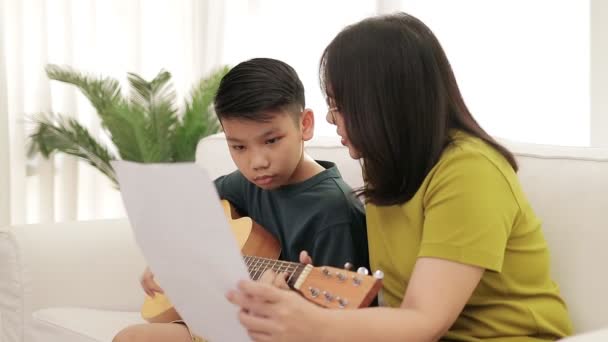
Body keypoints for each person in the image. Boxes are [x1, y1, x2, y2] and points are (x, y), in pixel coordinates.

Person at [226, 13, 573, 341]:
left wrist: (312, 323)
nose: (332, 120)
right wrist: (311, 298)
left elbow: (425, 321)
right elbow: (396, 312)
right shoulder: (385, 168)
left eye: (339, 105)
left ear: (380, 104)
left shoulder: (470, 171)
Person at [113, 58, 369, 342]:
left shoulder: (335, 213)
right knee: (129, 338)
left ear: (304, 125)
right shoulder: (246, 183)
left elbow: (337, 323)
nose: (257, 162)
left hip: (283, 334)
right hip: (224, 323)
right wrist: (169, 258)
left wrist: (289, 305)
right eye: (238, 146)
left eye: (271, 141)